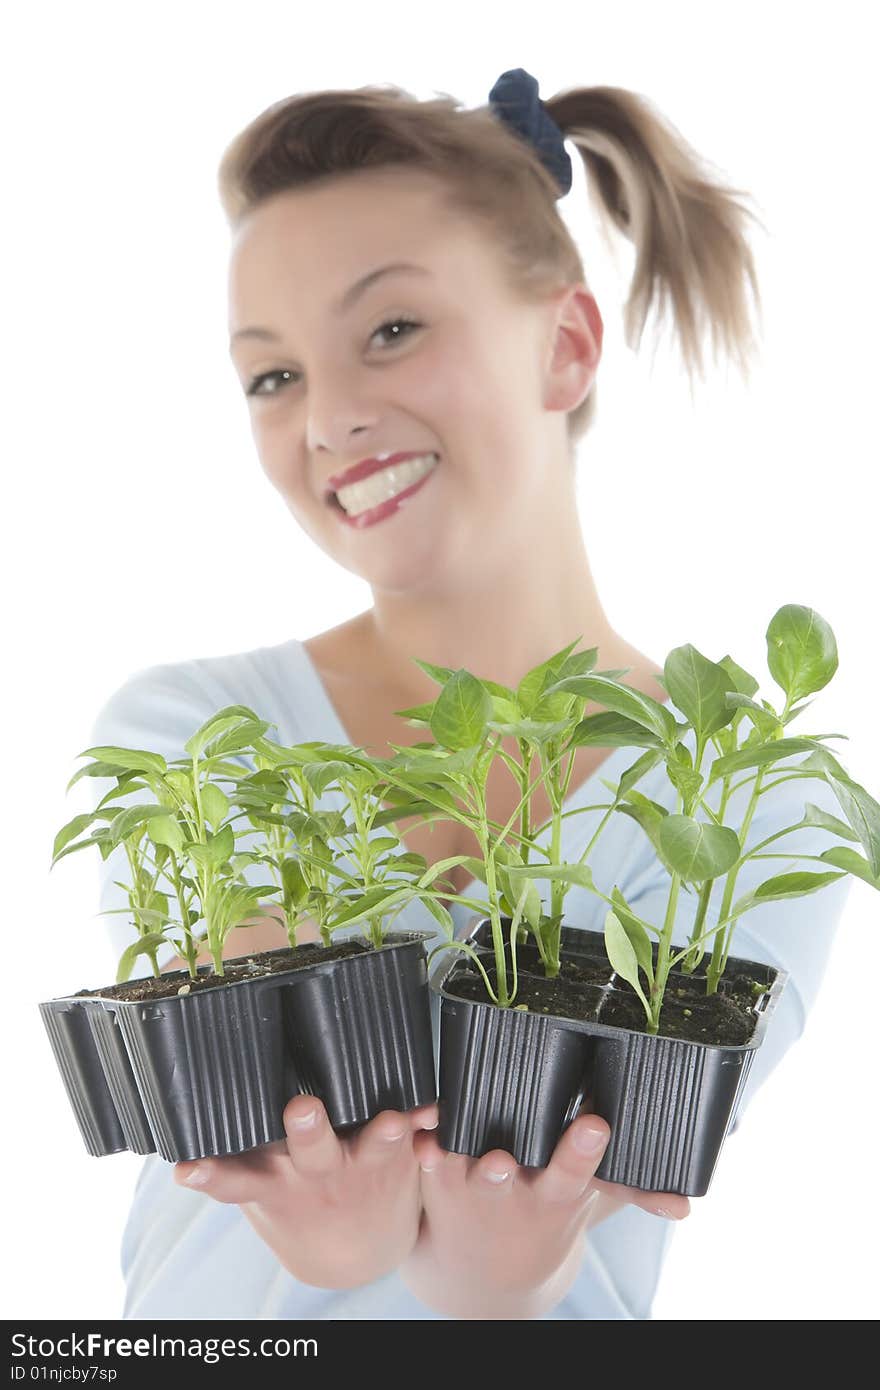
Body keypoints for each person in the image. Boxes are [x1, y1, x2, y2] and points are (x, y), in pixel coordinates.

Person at [85, 69, 852, 1319]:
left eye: (391, 330)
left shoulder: (760, 802)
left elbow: (577, 1199)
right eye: (271, 377)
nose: (328, 417)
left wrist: (498, 1267)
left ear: (563, 346)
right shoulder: (189, 735)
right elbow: (288, 1136)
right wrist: (381, 1233)